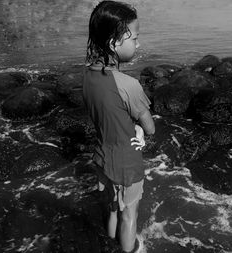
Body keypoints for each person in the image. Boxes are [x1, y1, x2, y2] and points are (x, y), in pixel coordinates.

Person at [83, 1, 155, 252]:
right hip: (126, 163)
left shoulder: (88, 77)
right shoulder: (128, 84)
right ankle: (129, 250)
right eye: (134, 38)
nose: (138, 44)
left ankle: (109, 242)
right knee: (129, 215)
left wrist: (129, 123)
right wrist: (140, 128)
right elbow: (150, 127)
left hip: (102, 158)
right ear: (114, 44)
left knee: (113, 207)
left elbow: (108, 113)